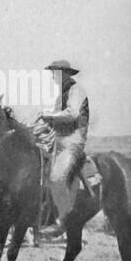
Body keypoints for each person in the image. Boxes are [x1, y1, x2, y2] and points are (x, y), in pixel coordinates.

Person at [32, 59, 89, 237]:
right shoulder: (61, 93)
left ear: (65, 73)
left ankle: (64, 221)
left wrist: (48, 115)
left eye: (55, 73)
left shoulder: (76, 90)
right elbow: (55, 120)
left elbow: (72, 114)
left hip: (73, 140)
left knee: (56, 178)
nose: (53, 77)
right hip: (58, 139)